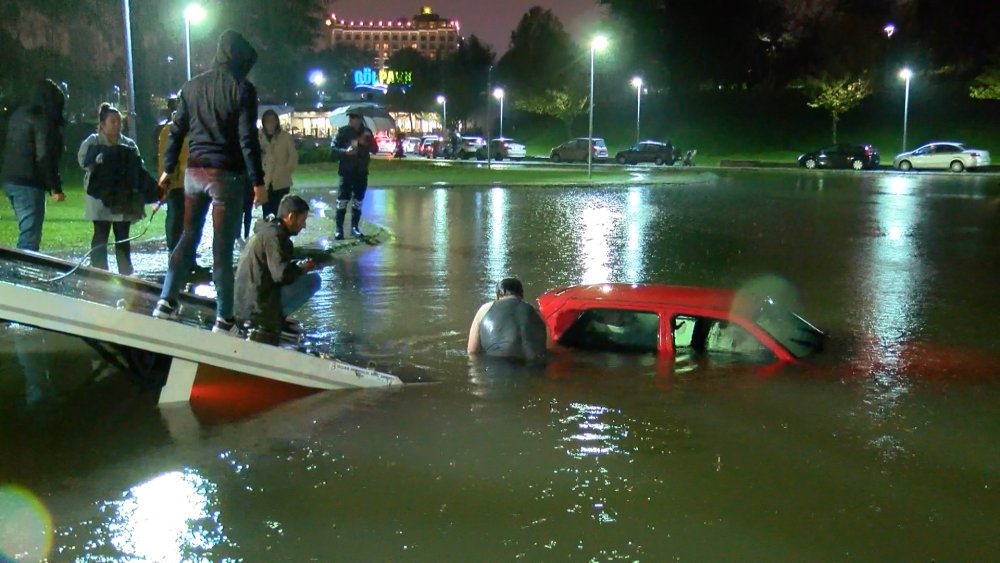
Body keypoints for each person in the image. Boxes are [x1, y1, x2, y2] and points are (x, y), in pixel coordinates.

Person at [153, 29, 267, 335]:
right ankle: (224, 319)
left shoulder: (191, 87)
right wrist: (258, 182)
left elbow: (176, 131)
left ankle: (166, 301)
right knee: (222, 247)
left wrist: (167, 170)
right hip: (225, 175)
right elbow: (247, 138)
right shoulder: (242, 89)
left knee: (187, 236)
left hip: (193, 173)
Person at [235, 194, 320, 344]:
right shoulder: (275, 236)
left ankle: (274, 317)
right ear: (291, 217)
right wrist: (301, 269)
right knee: (313, 281)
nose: (304, 225)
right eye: (303, 220)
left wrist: (296, 264)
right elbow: (281, 275)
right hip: (254, 307)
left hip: (243, 301)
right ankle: (272, 319)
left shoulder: (267, 230)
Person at [77, 103, 146, 275]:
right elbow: (83, 161)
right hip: (99, 197)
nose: (117, 125)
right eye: (113, 121)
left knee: (122, 236)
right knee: (101, 234)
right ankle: (100, 271)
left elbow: (139, 166)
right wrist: (98, 159)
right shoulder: (93, 141)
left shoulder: (128, 143)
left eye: (119, 121)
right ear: (102, 124)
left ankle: (125, 271)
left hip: (122, 198)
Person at [1, 79, 67, 251]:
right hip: (29, 182)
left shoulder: (18, 114)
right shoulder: (42, 119)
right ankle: (23, 266)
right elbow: (44, 155)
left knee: (27, 230)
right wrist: (55, 187)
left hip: (11, 179)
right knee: (29, 235)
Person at [467, 277, 548, 362]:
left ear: (497, 296)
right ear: (521, 295)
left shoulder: (484, 310)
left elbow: (472, 351)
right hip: (535, 365)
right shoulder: (537, 313)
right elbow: (550, 347)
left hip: (497, 365)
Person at [330, 111, 377, 240]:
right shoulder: (343, 132)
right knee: (342, 200)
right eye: (349, 116)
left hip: (361, 172)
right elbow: (333, 149)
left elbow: (375, 149)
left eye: (354, 117)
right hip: (346, 171)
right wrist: (345, 152)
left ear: (360, 119)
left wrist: (369, 141)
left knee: (358, 200)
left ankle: (354, 227)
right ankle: (339, 229)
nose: (350, 119)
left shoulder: (367, 132)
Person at [156, 96, 189, 255]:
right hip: (176, 182)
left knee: (189, 218)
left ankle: (187, 253)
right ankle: (173, 250)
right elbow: (165, 156)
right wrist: (165, 179)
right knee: (176, 215)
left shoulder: (194, 127)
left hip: (192, 181)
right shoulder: (169, 129)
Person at [258, 109, 298, 220]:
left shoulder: (285, 136)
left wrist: (286, 171)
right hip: (265, 180)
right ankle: (269, 230)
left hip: (281, 180)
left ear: (277, 122)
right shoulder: (259, 137)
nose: (271, 124)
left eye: (273, 121)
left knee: (281, 212)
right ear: (264, 123)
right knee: (267, 213)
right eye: (268, 121)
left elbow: (293, 157)